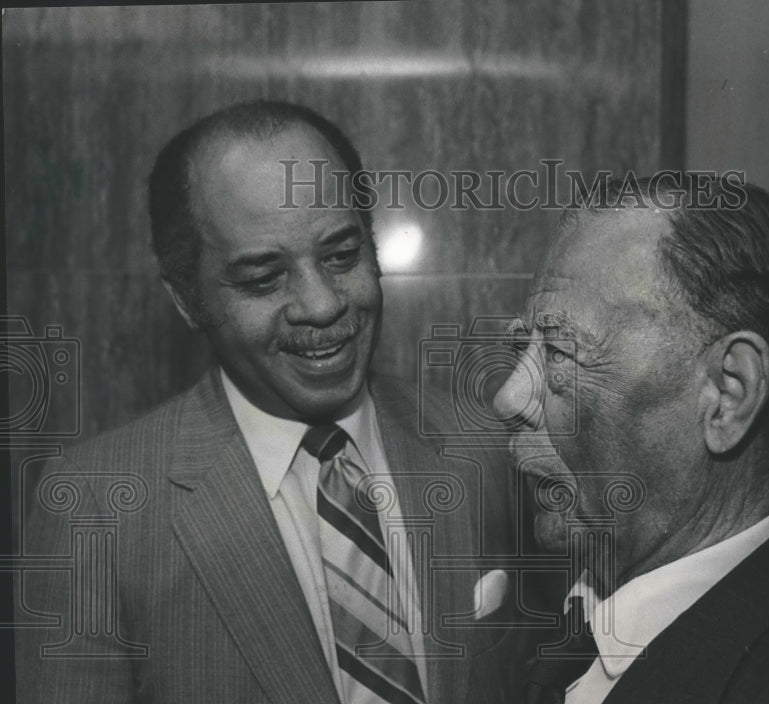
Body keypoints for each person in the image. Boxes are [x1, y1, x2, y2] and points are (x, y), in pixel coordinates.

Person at [16, 100, 521, 704]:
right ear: (187, 301)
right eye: (263, 278)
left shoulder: (489, 449)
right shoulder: (96, 511)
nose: (322, 304)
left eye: (341, 255)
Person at [494, 176, 769, 704]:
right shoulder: (574, 629)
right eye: (523, 348)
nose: (508, 398)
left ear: (727, 394)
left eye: (560, 352)